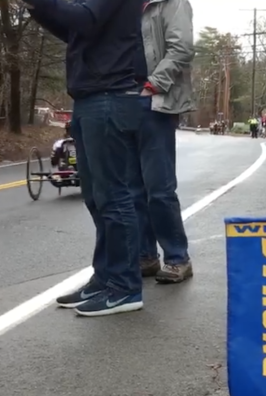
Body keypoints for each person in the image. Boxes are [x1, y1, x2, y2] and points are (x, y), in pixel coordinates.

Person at [28, 0, 147, 317]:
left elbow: (83, 19)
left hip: (109, 96)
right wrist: (35, 8)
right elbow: (74, 30)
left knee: (114, 196)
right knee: (96, 197)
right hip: (91, 96)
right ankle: (106, 278)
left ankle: (125, 287)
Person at [136, 0, 195, 284]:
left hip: (155, 101)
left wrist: (154, 84)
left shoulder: (172, 4)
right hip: (124, 99)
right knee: (133, 187)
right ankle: (145, 256)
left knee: (158, 188)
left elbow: (181, 47)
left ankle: (177, 258)